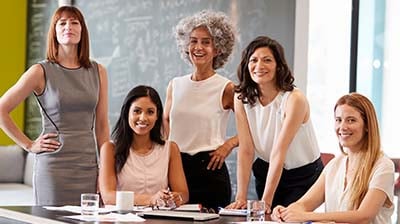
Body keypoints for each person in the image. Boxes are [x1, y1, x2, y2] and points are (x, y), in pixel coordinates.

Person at [0, 6, 109, 205]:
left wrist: (106, 171)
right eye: (63, 23)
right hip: (53, 169)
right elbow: (1, 110)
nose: (69, 27)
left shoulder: (98, 71)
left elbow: (102, 126)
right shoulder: (40, 71)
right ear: (55, 31)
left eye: (75, 22)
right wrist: (29, 145)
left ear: (82, 30)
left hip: (88, 167)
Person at [227, 36, 323, 213]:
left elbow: (279, 151)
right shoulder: (241, 98)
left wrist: (266, 202)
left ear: (279, 65)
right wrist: (240, 197)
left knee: (286, 217)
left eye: (267, 60)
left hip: (303, 174)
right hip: (266, 169)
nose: (259, 66)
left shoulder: (294, 99)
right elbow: (247, 149)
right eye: (253, 60)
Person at [271, 93, 395, 223]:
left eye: (351, 120)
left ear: (367, 126)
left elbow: (363, 216)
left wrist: (307, 216)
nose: (342, 127)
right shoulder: (334, 165)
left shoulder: (383, 166)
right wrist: (286, 212)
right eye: (338, 120)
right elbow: (303, 205)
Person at [163, 10, 237, 210]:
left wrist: (227, 145)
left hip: (210, 171)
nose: (198, 47)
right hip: (176, 170)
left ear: (218, 48)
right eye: (193, 41)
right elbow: (165, 122)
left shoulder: (227, 88)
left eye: (206, 42)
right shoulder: (175, 85)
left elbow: (253, 127)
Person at [99, 85, 189, 206]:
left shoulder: (171, 149)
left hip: (158, 218)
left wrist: (176, 198)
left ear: (157, 116)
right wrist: (151, 199)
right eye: (137, 111)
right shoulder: (109, 149)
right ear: (127, 113)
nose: (143, 118)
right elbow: (108, 197)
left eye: (150, 112)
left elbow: (183, 193)